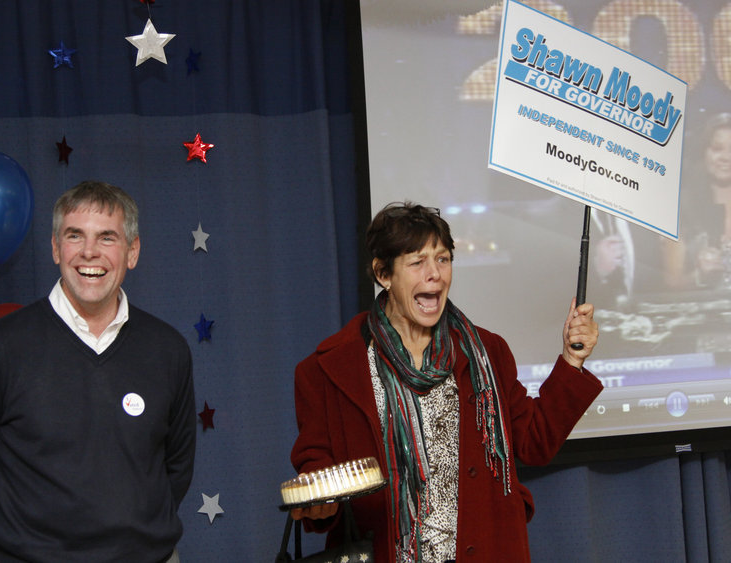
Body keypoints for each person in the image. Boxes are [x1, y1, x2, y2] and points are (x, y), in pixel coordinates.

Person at [290, 202, 602, 562]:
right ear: (383, 273)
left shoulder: (487, 353)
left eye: (442, 259)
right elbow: (316, 468)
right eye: (417, 261)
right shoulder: (327, 369)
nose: (435, 274)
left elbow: (534, 442)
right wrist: (319, 501)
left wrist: (572, 360)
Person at [0, 181, 197, 563]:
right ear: (56, 248)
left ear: (132, 252)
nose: (89, 252)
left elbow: (177, 468)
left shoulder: (168, 349)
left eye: (107, 238)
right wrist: (16, 551)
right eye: (75, 236)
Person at [663, 112, 731, 289]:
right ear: (704, 153)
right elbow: (671, 284)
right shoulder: (681, 208)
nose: (726, 157)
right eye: (717, 148)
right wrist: (699, 276)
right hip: (697, 312)